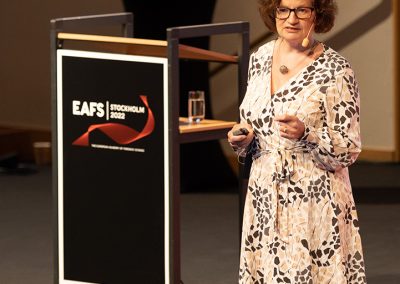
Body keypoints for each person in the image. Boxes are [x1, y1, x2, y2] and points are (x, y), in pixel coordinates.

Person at [227, 0, 367, 283]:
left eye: (302, 10)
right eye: (283, 9)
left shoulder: (336, 70)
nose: (291, 18)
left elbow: (349, 149)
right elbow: (253, 120)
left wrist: (307, 134)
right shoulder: (260, 58)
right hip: (265, 195)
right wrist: (242, 137)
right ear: (273, 12)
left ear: (318, 14)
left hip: (314, 201)